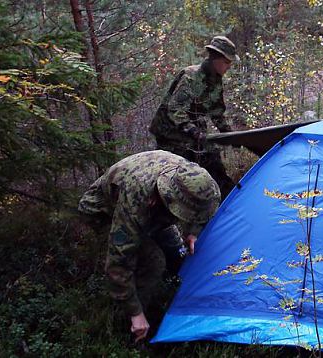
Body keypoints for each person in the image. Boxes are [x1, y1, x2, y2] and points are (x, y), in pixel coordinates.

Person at [78, 150, 220, 342]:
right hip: (104, 212)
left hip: (153, 209)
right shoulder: (136, 197)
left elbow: (202, 211)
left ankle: (175, 300)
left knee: (177, 252)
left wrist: (193, 233)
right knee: (153, 261)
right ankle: (132, 326)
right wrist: (135, 311)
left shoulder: (194, 178)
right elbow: (119, 261)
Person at [149, 35, 238, 199]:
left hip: (191, 133)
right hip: (171, 135)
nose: (229, 66)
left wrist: (230, 134)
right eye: (226, 62)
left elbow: (217, 111)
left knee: (213, 163)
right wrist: (193, 131)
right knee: (175, 179)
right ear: (215, 59)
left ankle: (227, 200)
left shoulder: (216, 81)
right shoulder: (191, 76)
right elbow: (175, 109)